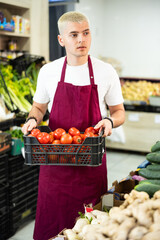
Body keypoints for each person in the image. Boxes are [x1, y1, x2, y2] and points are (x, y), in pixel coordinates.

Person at [22, 11, 125, 240]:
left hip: (91, 162)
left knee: (90, 226)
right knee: (52, 225)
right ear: (61, 40)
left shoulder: (105, 71)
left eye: (86, 33)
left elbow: (119, 113)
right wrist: (31, 120)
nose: (82, 40)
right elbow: (38, 108)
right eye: (74, 34)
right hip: (55, 163)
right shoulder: (48, 71)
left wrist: (109, 120)